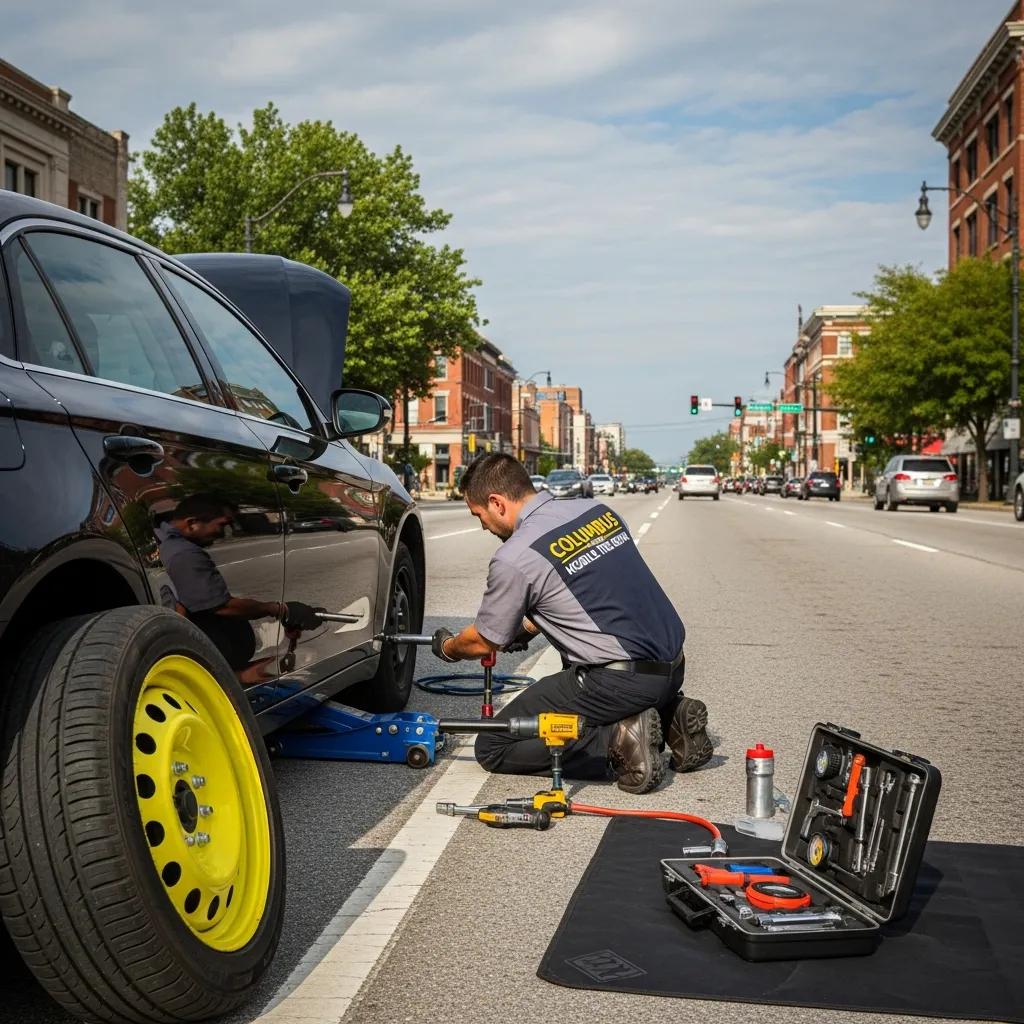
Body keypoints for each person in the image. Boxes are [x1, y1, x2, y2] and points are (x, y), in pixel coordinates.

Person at [431, 453, 713, 794]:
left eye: (479, 515)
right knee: (594, 678)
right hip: (673, 666)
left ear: (497, 503)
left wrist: (448, 648)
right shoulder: (595, 512)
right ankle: (672, 717)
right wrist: (527, 627)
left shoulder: (515, 555)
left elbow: (482, 641)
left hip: (620, 682)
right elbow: (588, 595)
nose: (483, 526)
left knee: (493, 745)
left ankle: (617, 742)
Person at [155, 494, 322, 684]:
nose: (224, 532)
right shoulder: (183, 554)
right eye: (222, 524)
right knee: (272, 672)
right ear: (192, 523)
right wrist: (280, 610)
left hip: (210, 664)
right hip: (205, 675)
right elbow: (221, 607)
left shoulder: (167, 545)